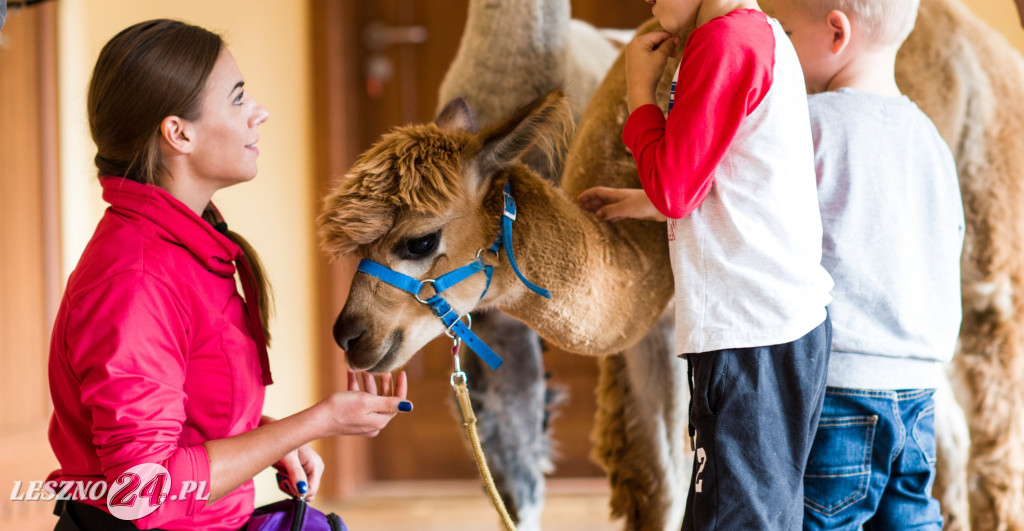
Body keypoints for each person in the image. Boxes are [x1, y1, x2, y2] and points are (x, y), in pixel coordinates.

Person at [46, 19, 412, 531]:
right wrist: (318, 421)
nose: (259, 113)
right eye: (238, 98)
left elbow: (182, 415)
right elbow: (144, 491)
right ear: (179, 133)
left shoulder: (186, 243)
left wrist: (276, 438)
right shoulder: (137, 279)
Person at [576, 0, 833, 528]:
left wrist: (638, 94)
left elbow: (676, 189)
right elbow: (736, 173)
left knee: (731, 518)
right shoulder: (755, 33)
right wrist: (640, 199)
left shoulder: (721, 43)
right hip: (773, 328)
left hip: (748, 333)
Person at [769, 0, 964, 528]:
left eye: (785, 31)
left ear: (836, 32)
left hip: (841, 386)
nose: (778, 47)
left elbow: (750, 203)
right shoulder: (930, 138)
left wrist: (653, 200)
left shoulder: (809, 122)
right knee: (911, 518)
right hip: (920, 388)